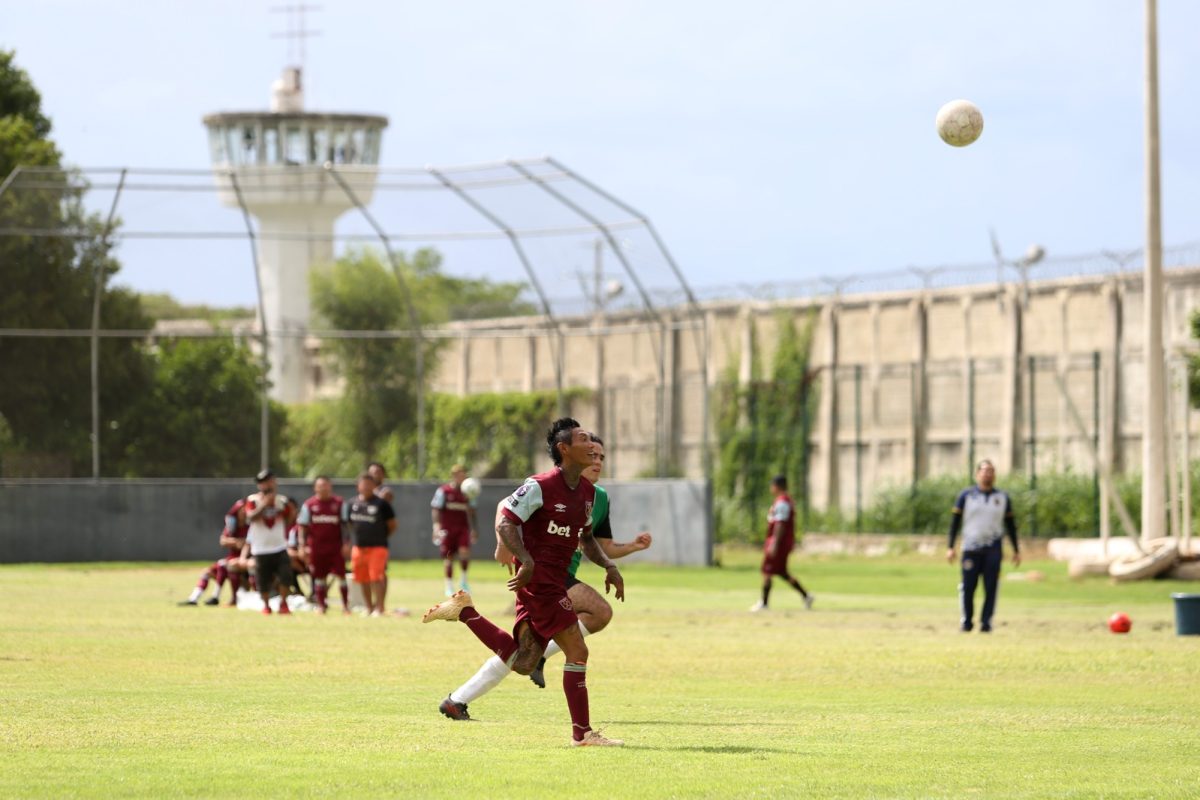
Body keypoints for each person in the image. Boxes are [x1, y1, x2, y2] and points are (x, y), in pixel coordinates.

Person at [422, 417, 626, 747]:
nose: (592, 446)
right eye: (584, 440)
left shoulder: (587, 493)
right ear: (564, 449)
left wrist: (608, 565)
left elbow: (586, 538)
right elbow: (506, 522)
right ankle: (583, 734)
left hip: (556, 580)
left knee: (522, 658)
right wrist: (526, 560)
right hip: (539, 581)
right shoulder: (539, 485)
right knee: (577, 649)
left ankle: (465, 613)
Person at [947, 459, 1020, 633]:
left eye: (991, 471)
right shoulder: (966, 496)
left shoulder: (1002, 497)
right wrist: (950, 547)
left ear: (994, 475)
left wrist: (1016, 550)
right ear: (977, 474)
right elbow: (954, 523)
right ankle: (967, 622)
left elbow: (1010, 525)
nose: (987, 474)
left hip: (993, 549)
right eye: (984, 470)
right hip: (970, 548)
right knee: (968, 586)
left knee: (991, 587)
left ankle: (986, 622)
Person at [750, 475, 813, 612]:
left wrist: (774, 543)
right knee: (782, 572)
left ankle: (764, 603)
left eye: (772, 485)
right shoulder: (782, 501)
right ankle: (806, 596)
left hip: (779, 543)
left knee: (767, 571)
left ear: (777, 486)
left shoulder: (782, 502)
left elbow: (780, 524)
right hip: (780, 542)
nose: (770, 488)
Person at [239, 469, 297, 616]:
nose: (267, 485)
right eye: (263, 482)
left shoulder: (282, 500)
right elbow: (249, 518)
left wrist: (289, 511)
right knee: (262, 580)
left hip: (279, 546)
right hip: (260, 548)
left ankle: (283, 604)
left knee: (285, 575)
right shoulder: (252, 500)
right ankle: (266, 606)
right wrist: (264, 505)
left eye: (269, 481)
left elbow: (288, 520)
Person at [179, 497, 250, 606]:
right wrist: (236, 542)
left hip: (244, 560)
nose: (244, 512)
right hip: (231, 558)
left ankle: (216, 596)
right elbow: (223, 540)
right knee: (206, 572)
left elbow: (249, 543)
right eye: (241, 510)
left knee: (222, 565)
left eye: (245, 510)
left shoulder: (251, 526)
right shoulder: (232, 526)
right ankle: (193, 598)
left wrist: (241, 543)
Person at [344, 472, 396, 617]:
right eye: (363, 484)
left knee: (376, 577)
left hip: (378, 547)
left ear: (374, 486)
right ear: (358, 486)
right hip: (359, 547)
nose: (366, 487)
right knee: (362, 578)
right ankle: (368, 607)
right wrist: (348, 543)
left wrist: (382, 536)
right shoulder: (352, 503)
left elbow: (392, 524)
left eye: (369, 484)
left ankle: (379, 608)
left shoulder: (382, 504)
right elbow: (348, 525)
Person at [298, 476, 350, 615]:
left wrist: (346, 543)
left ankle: (346, 606)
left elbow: (345, 525)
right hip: (317, 548)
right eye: (320, 486)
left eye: (326, 485)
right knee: (319, 577)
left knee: (341, 576)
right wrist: (302, 546)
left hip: (335, 547)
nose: (323, 488)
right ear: (315, 488)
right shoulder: (309, 505)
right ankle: (321, 605)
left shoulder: (339, 503)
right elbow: (302, 527)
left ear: (330, 487)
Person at [431, 464, 478, 596]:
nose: (460, 478)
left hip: (462, 528)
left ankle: (463, 581)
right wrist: (436, 526)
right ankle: (449, 586)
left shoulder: (468, 493)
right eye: (458, 475)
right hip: (447, 529)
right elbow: (436, 508)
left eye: (463, 475)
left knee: (464, 553)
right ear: (453, 476)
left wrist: (474, 529)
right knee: (448, 557)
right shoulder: (444, 491)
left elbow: (473, 512)